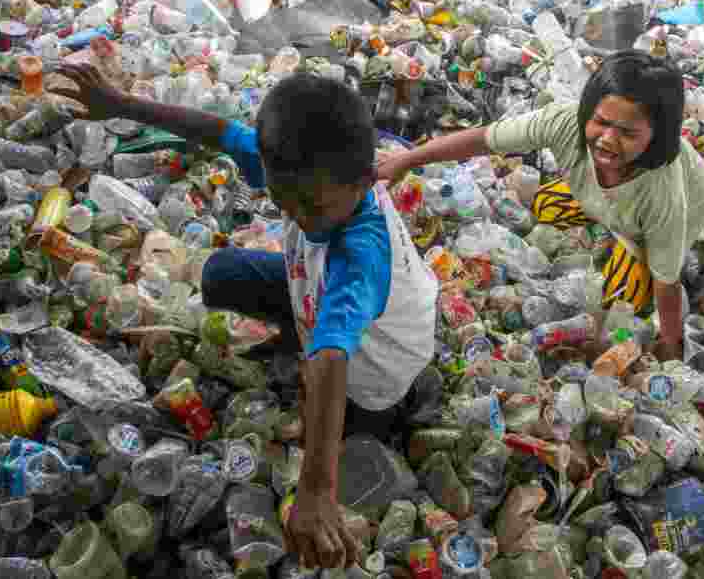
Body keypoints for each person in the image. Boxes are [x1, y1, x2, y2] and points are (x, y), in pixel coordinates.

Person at [51, 64, 439, 570]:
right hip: (313, 295)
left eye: (314, 206)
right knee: (221, 274)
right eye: (285, 200)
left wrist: (315, 490)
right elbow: (215, 130)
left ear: (366, 179)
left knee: (353, 447)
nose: (299, 214)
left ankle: (372, 422)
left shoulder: (362, 252)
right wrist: (121, 104)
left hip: (377, 365)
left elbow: (332, 351)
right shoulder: (302, 167)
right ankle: (290, 338)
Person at [378, 50, 704, 361]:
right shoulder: (565, 123)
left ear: (656, 137)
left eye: (627, 132)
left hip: (647, 226)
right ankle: (606, 227)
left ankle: (625, 245)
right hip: (610, 203)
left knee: (621, 300)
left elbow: (667, 281)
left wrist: (671, 343)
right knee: (544, 205)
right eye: (601, 122)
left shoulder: (662, 193)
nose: (608, 139)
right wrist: (408, 159)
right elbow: (484, 139)